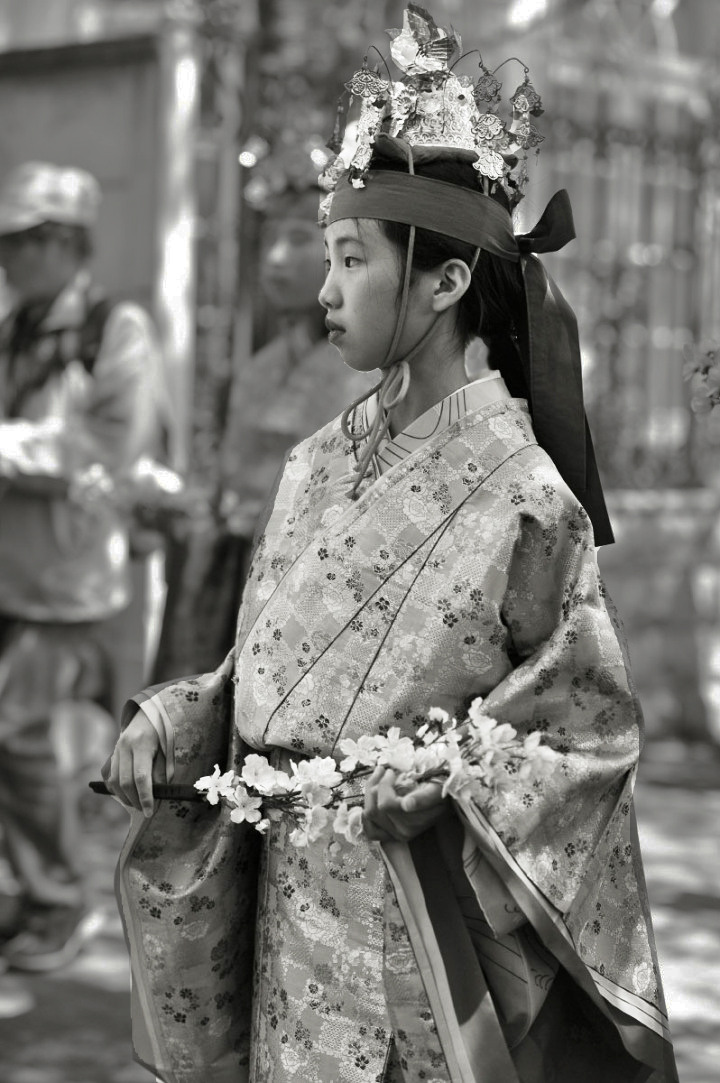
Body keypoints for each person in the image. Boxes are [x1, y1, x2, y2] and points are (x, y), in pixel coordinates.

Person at [104, 9, 678, 1082]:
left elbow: (585, 733)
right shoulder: (316, 461)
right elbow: (271, 672)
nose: (326, 289)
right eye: (328, 256)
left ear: (446, 282)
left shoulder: (525, 498)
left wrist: (454, 788)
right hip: (286, 910)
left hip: (417, 934)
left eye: (352, 257)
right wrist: (175, 715)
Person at [0, 161, 167, 971]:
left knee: (22, 733)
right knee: (23, 738)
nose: (9, 257)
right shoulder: (13, 330)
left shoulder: (115, 329)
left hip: (70, 577)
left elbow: (106, 447)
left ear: (66, 243)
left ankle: (59, 899)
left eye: (24, 242)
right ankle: (38, 891)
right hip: (10, 566)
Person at [151, 144, 372, 680]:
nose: (274, 259)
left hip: (312, 595)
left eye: (298, 239)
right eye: (268, 240)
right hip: (226, 583)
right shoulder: (253, 369)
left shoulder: (369, 370)